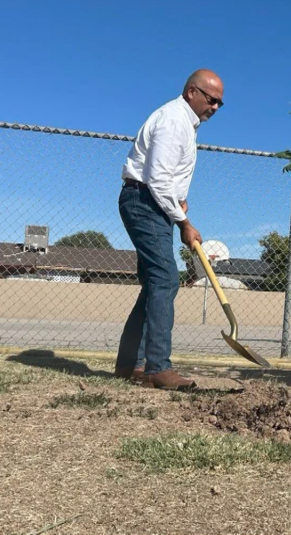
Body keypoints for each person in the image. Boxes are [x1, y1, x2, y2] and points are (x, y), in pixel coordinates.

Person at [115, 69, 224, 390]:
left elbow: (166, 179)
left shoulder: (185, 124)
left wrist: (178, 202)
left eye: (220, 103)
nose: (215, 107)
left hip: (153, 202)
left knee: (154, 283)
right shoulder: (175, 120)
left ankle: (129, 364)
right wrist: (184, 223)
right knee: (166, 278)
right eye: (211, 99)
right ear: (192, 92)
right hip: (144, 201)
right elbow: (157, 178)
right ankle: (157, 368)